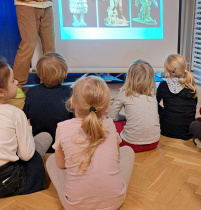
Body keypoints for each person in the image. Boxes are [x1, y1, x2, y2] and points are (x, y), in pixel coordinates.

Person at [46, 76, 135, 209]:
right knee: (128, 151)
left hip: (75, 206)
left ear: (72, 102)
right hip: (114, 201)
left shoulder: (62, 127)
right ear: (105, 105)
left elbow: (61, 164)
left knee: (52, 159)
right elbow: (116, 156)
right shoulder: (110, 124)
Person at [0, 57, 52, 198]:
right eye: (13, 80)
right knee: (42, 141)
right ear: (1, 92)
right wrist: (28, 129)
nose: (17, 82)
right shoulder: (15, 113)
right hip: (6, 182)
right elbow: (26, 155)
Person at [23, 52, 73, 153]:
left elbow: (25, 117)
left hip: (37, 145)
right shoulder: (70, 93)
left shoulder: (31, 92)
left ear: (39, 74)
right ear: (65, 74)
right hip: (63, 147)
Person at [109, 59, 160, 152]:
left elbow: (112, 116)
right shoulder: (152, 93)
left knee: (111, 123)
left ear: (129, 77)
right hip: (154, 142)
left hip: (130, 145)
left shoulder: (124, 93)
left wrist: (124, 117)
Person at [13, 0, 55, 98]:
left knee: (50, 48)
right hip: (26, 4)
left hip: (47, 5)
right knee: (28, 45)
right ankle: (17, 85)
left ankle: (49, 82)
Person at [157, 54, 197, 140]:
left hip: (167, 130)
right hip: (188, 131)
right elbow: (194, 105)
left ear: (167, 71)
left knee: (155, 105)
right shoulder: (190, 85)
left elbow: (155, 103)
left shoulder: (163, 85)